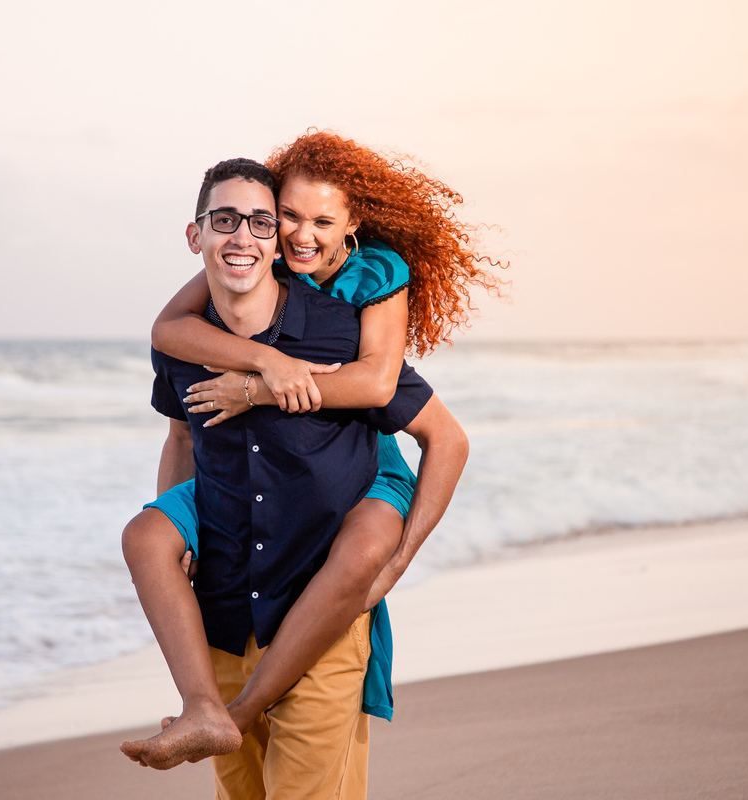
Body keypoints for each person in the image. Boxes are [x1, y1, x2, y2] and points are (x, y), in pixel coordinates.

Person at [122, 152, 481, 798]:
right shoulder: (186, 336)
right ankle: (213, 711)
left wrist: (397, 565)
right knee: (144, 537)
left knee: (369, 542)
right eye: (281, 218)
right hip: (228, 615)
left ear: (352, 227)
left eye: (262, 222)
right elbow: (179, 430)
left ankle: (233, 712)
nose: (285, 233)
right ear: (195, 233)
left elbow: (420, 417)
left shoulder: (351, 321)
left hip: (324, 599)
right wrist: (187, 546)